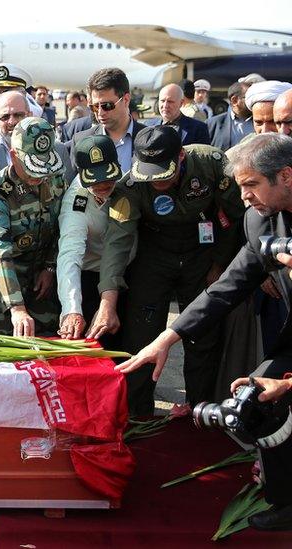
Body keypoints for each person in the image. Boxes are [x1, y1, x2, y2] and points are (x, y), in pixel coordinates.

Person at [115, 133, 292, 530]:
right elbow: (226, 288)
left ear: (286, 176)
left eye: (250, 185)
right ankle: (285, 500)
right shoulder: (258, 219)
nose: (242, 196)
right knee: (259, 398)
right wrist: (167, 337)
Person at [94, 126, 245, 415]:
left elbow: (238, 215)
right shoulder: (130, 187)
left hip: (203, 253)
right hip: (155, 256)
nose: (156, 182)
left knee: (202, 334)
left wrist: (220, 264)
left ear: (181, 155)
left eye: (164, 172)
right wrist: (107, 299)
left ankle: (200, 409)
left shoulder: (211, 163)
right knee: (142, 336)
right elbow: (117, 243)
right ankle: (138, 413)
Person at [0, 117, 65, 337]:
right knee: (10, 341)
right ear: (13, 156)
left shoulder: (54, 179)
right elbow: (0, 253)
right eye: (32, 168)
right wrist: (16, 307)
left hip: (41, 276)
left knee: (49, 338)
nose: (39, 176)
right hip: (5, 281)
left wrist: (50, 267)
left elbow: (61, 228)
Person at [57, 136, 126, 340]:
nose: (103, 184)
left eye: (107, 176)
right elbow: (69, 256)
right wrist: (72, 309)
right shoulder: (76, 203)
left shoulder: (129, 183)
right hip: (92, 276)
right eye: (94, 179)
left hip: (129, 270)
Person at [70, 68, 140, 174]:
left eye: (107, 106)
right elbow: (75, 187)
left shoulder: (149, 138)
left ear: (126, 100)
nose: (100, 113)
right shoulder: (81, 141)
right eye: (95, 107)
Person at [0, 91, 73, 182]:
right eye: (5, 116)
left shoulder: (58, 149)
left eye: (18, 115)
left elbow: (67, 190)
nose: (12, 122)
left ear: (30, 115)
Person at [207, 81, 253, 151]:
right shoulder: (212, 124)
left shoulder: (262, 122)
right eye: (249, 98)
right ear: (234, 100)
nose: (253, 101)